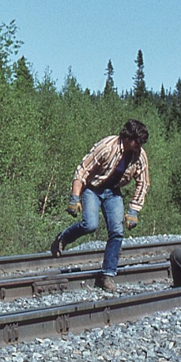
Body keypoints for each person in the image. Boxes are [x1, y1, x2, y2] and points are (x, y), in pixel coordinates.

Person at [50, 119, 151, 292]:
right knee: (90, 225)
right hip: (93, 189)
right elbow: (83, 169)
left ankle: (108, 275)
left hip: (113, 192)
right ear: (127, 138)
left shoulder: (139, 155)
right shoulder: (106, 147)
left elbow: (143, 183)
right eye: (137, 141)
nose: (139, 146)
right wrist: (75, 198)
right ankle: (64, 238)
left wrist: (134, 209)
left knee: (117, 232)